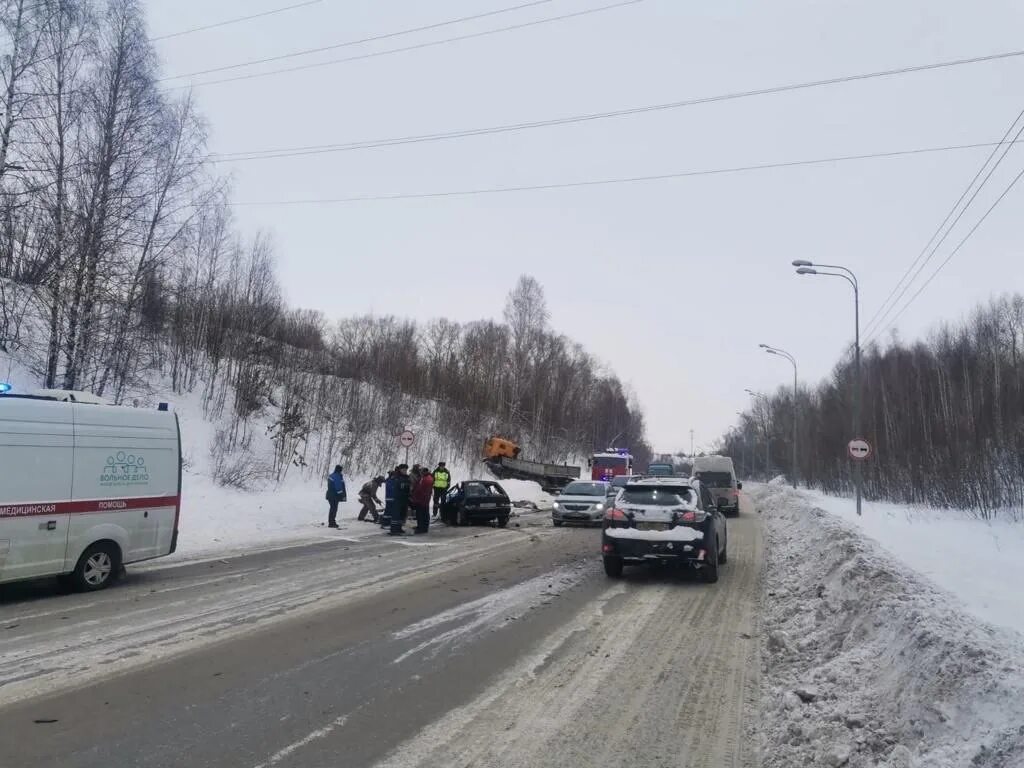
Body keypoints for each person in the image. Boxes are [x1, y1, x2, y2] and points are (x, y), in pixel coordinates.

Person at [387, 464, 412, 536]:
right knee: (396, 515)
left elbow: (408, 487)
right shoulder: (396, 477)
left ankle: (399, 528)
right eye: (403, 469)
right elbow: (395, 488)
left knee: (402, 515)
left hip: (405, 498)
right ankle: (394, 530)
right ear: (400, 470)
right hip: (398, 499)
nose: (405, 471)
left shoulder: (407, 478)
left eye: (406, 470)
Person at [411, 466, 434, 534]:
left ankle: (421, 528)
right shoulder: (428, 478)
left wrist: (415, 496)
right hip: (424, 499)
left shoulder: (425, 479)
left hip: (421, 499)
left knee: (421, 514)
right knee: (424, 513)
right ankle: (423, 527)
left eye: (421, 472)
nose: (420, 473)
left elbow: (420, 489)